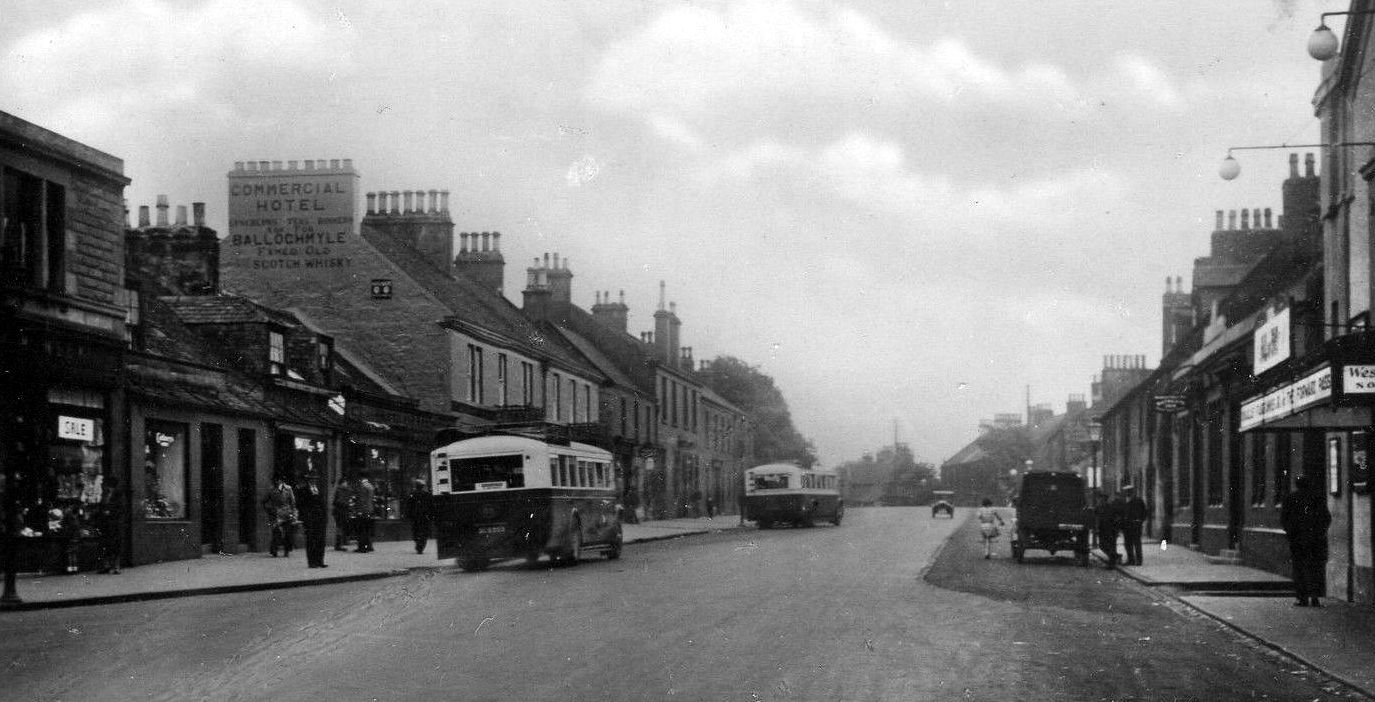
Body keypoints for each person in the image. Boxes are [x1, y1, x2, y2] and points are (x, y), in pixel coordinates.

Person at [1281, 474, 1331, 607]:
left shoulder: (1290, 498)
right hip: (1315, 540)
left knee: (1299, 568)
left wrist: (1291, 533)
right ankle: (1315, 597)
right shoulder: (1317, 498)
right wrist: (1320, 533)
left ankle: (1302, 598)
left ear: (1297, 485)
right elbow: (1326, 517)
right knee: (1315, 568)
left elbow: (1284, 519)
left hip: (1297, 540)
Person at [296, 472, 329, 568]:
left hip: (320, 519)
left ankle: (320, 561)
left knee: (320, 540)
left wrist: (324, 517)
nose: (314, 481)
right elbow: (300, 505)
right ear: (309, 480)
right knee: (311, 540)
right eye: (312, 479)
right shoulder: (303, 490)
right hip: (310, 519)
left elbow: (323, 504)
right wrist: (305, 516)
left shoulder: (319, 490)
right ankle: (312, 562)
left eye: (315, 479)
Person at [94, 477, 124, 574]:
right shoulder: (105, 495)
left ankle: (116, 566)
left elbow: (121, 509)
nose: (107, 487)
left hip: (114, 524)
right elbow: (101, 506)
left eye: (109, 486)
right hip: (105, 524)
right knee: (106, 545)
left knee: (115, 545)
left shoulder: (118, 495)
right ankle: (107, 565)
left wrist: (110, 512)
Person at [262, 475, 297, 558]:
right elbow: (264, 501)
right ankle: (274, 550)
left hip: (287, 513)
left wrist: (293, 513)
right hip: (275, 514)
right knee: (276, 532)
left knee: (288, 532)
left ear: (282, 481)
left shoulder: (288, 489)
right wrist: (269, 510)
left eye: (279, 480)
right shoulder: (271, 490)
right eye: (276, 481)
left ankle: (287, 550)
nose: (277, 482)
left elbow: (292, 502)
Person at [404, 478, 433, 554]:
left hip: (416, 517)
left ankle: (418, 544)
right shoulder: (427, 495)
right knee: (424, 532)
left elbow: (408, 506)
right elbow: (431, 506)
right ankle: (421, 545)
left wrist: (408, 515)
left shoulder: (412, 495)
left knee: (416, 531)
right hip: (424, 517)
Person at [1121, 485, 1147, 566]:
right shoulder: (1124, 502)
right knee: (1128, 544)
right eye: (1126, 492)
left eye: (1129, 492)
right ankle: (1131, 560)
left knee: (1137, 543)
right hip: (1126, 526)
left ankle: (1139, 561)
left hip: (1135, 526)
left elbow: (1144, 512)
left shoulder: (1138, 501)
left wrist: (1140, 521)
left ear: (1132, 492)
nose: (1127, 493)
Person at [1097, 490, 1122, 568]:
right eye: (1100, 499)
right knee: (1102, 546)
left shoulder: (1110, 507)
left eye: (1102, 499)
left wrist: (1117, 528)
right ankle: (1116, 557)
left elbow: (1117, 517)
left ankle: (1111, 564)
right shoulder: (1098, 508)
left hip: (1111, 530)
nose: (1100, 500)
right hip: (1102, 530)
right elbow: (1096, 518)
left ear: (1105, 500)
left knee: (1111, 547)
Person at [353, 474, 376, 553]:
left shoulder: (363, 487)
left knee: (361, 529)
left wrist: (358, 510)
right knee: (367, 529)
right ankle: (369, 546)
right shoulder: (370, 486)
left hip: (363, 510)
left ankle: (362, 547)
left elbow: (362, 500)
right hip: (370, 510)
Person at [331, 477, 354, 551]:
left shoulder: (342, 490)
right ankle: (339, 544)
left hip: (340, 511)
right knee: (340, 527)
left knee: (340, 527)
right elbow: (339, 501)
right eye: (345, 482)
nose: (346, 484)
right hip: (340, 511)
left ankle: (340, 543)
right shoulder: (341, 490)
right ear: (342, 483)